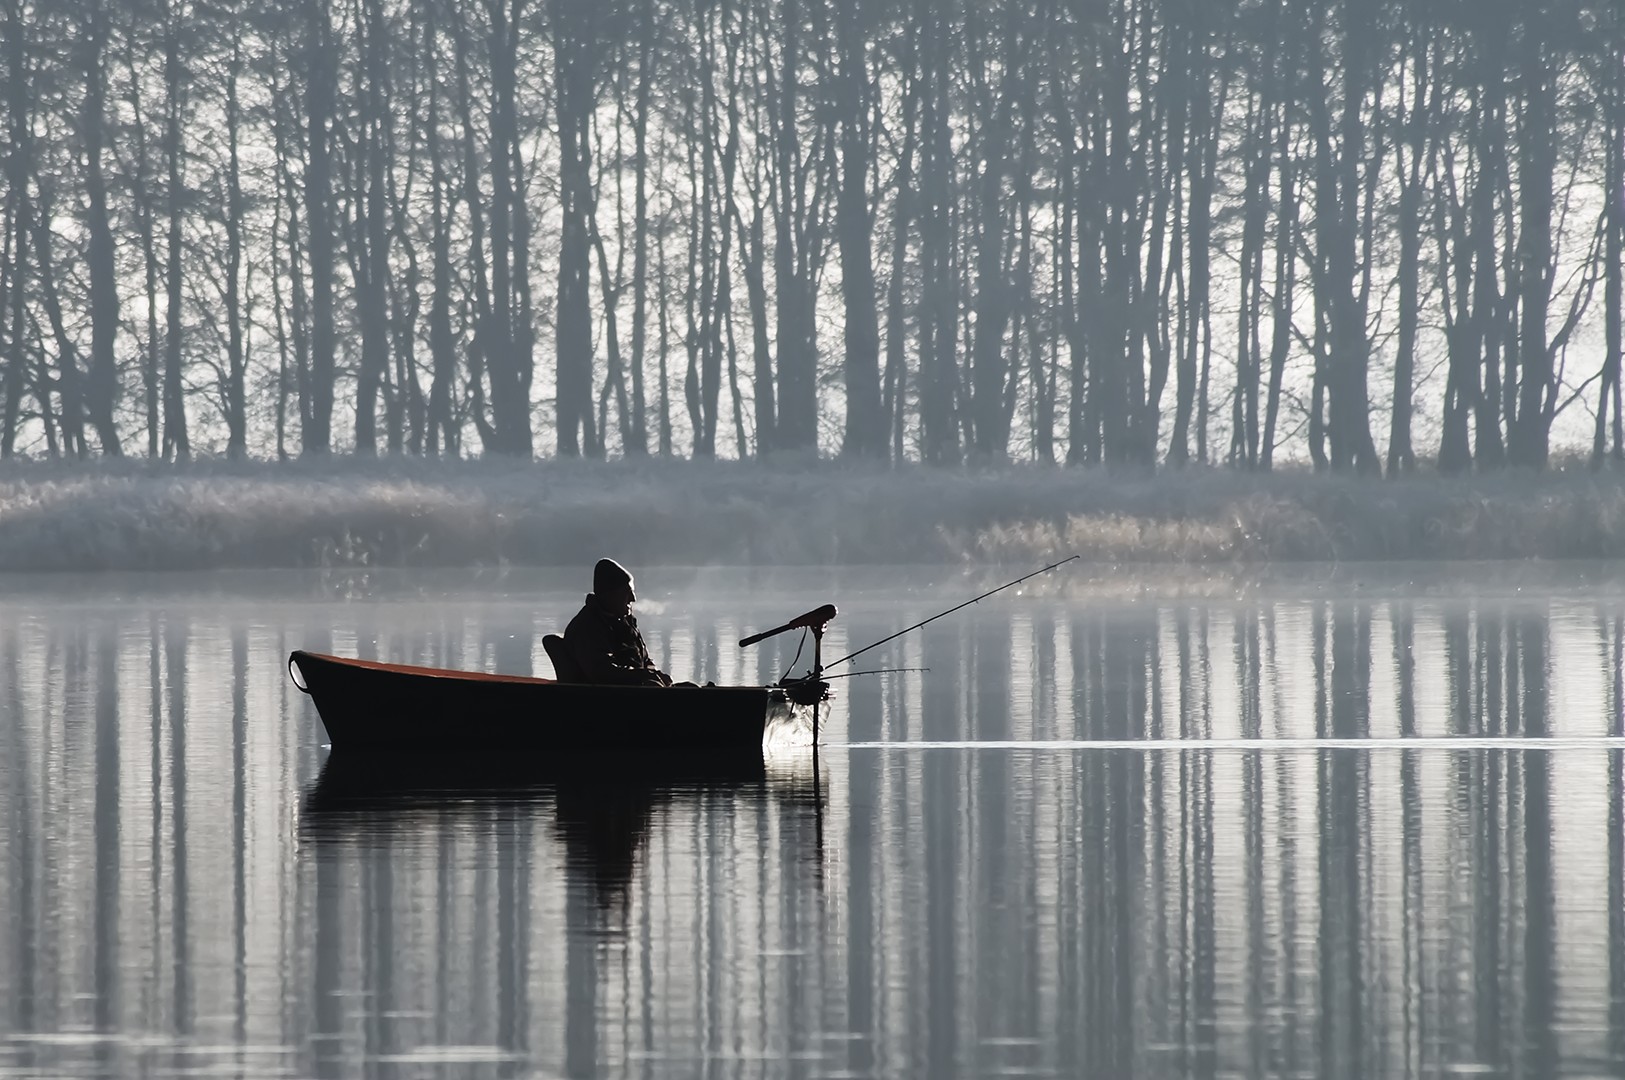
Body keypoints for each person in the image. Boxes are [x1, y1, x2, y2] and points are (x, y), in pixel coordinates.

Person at [563, 559, 674, 687]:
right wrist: (644, 676)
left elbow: (645, 660)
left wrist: (656, 675)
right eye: (627, 592)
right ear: (609, 595)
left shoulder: (624, 621)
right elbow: (603, 673)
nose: (633, 598)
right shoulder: (587, 627)